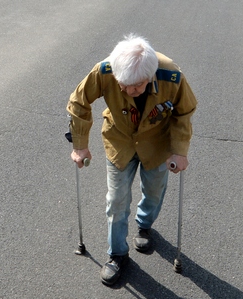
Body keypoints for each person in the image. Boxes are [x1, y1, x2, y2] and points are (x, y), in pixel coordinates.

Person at [67, 34, 197, 285]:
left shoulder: (171, 75)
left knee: (154, 191)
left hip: (157, 143)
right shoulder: (105, 70)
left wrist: (179, 151)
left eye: (136, 87)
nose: (127, 90)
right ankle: (117, 254)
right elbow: (78, 101)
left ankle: (144, 224)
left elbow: (185, 111)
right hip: (120, 141)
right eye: (122, 84)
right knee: (116, 200)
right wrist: (80, 145)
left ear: (149, 77)